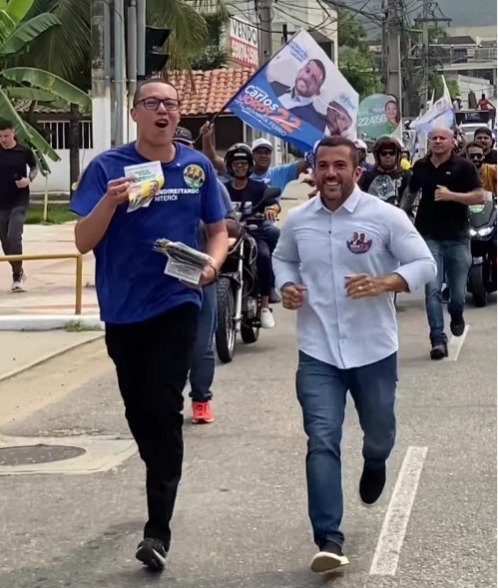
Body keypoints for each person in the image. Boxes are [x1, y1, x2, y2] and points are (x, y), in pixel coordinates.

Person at [70, 80, 228, 571]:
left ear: (179, 115)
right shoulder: (107, 168)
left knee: (163, 405)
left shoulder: (195, 168)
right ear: (135, 113)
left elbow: (218, 230)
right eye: (152, 104)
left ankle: (157, 528)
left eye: (171, 104)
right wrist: (110, 203)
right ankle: (157, 464)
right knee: (139, 410)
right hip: (122, 309)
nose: (163, 111)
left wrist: (212, 265)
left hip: (178, 299)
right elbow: (81, 240)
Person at [272, 136, 436, 574]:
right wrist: (285, 286)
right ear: (313, 169)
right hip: (318, 352)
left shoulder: (385, 217)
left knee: (378, 433)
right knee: (321, 439)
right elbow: (282, 259)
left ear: (355, 171)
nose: (330, 174)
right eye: (322, 165)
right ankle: (329, 537)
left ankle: (376, 458)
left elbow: (424, 264)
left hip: (373, 350)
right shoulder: (299, 221)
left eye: (339, 165)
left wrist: (385, 283)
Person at [402, 127, 484, 360]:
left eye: (442, 138)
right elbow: (410, 193)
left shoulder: (464, 167)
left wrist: (452, 196)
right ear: (429, 142)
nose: (437, 141)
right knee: (433, 289)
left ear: (452, 142)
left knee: (457, 295)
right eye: (434, 138)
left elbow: (479, 196)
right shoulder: (420, 166)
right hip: (429, 238)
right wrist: (400, 216)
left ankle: (456, 315)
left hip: (458, 238)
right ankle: (437, 338)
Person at [173, 126, 234, 425]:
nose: (179, 150)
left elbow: (229, 226)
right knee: (161, 343)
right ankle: (166, 400)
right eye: (174, 144)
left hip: (200, 274)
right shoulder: (148, 178)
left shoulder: (206, 178)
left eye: (184, 145)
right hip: (160, 275)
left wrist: (207, 231)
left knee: (201, 343)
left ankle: (201, 399)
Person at [223, 143, 281, 328]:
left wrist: (272, 209)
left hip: (253, 232)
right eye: (236, 163)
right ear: (230, 166)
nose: (239, 167)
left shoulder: (258, 187)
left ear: (249, 165)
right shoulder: (223, 189)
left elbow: (273, 203)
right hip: (228, 234)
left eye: (243, 163)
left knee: (263, 256)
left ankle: (264, 305)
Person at [0, 118, 38, 292]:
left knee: (14, 235)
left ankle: (16, 278)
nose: (3, 140)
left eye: (6, 136)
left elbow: (34, 167)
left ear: (13, 133)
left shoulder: (24, 151)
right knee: (7, 242)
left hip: (19, 200)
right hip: (1, 203)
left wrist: (28, 179)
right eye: (0, 136)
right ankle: (19, 271)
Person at [269, 59, 326, 129]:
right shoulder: (272, 87)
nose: (306, 78)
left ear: (317, 90)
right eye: (307, 71)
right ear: (300, 71)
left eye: (313, 78)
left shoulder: (315, 122)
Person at [358, 136, 411, 206]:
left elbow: (409, 202)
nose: (388, 156)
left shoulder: (406, 176)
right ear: (377, 155)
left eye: (391, 153)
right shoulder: (366, 177)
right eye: (384, 153)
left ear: (398, 155)